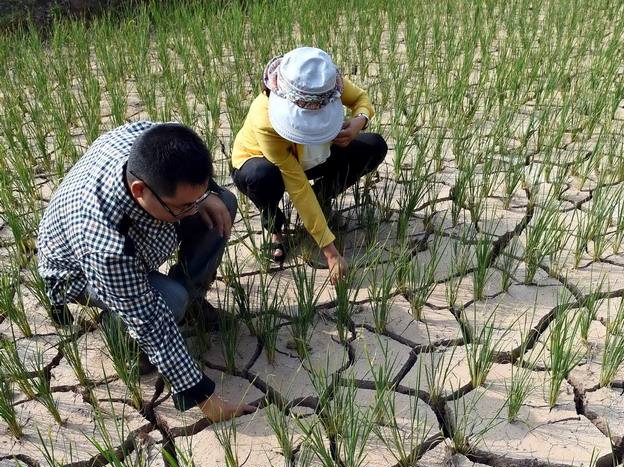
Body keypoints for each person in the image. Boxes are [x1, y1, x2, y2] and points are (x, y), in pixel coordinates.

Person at [37, 121, 256, 422]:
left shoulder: (149, 140)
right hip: (78, 274)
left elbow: (191, 179)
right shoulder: (104, 243)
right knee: (169, 302)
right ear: (139, 190)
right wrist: (205, 398)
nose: (192, 209)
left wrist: (207, 196)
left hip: (134, 240)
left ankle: (193, 303)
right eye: (183, 206)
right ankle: (121, 332)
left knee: (223, 203)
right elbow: (150, 320)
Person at [231, 46, 387, 278]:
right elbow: (297, 185)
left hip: (312, 153)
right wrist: (331, 252)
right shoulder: (265, 118)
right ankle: (274, 228)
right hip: (262, 162)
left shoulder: (323, 84)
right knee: (262, 177)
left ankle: (321, 198)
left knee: (374, 145)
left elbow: (360, 98)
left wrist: (358, 123)